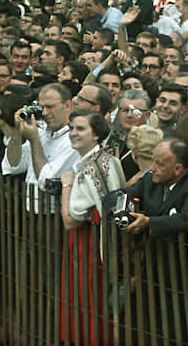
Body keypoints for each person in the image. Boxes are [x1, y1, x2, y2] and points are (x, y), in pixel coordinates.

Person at [58, 111, 125, 345]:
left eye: (80, 129)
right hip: (96, 244)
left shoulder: (91, 168)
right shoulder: (102, 161)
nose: (73, 133)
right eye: (72, 128)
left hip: (90, 246)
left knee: (88, 300)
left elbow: (70, 220)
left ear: (96, 135)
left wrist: (66, 185)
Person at [105, 138, 188, 237]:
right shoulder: (149, 181)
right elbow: (114, 196)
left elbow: (187, 220)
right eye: (153, 161)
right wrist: (122, 211)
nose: (152, 168)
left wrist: (149, 222)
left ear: (177, 169)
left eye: (159, 164)